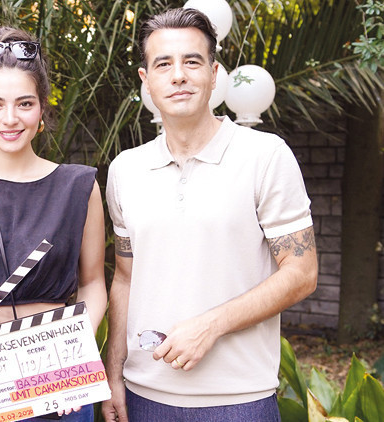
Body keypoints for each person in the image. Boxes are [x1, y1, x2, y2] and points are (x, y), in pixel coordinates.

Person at [102, 8, 318, 422]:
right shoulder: (125, 170)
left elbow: (302, 272)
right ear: (146, 80)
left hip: (239, 401)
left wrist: (211, 324)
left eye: (192, 61)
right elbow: (125, 278)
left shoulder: (265, 156)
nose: (178, 75)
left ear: (214, 73)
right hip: (145, 398)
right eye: (163, 64)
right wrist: (114, 374)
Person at [0, 27, 108, 421]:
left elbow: (93, 283)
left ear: (42, 109)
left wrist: (74, 353)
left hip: (55, 356)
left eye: (24, 104)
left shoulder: (78, 187)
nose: (9, 119)